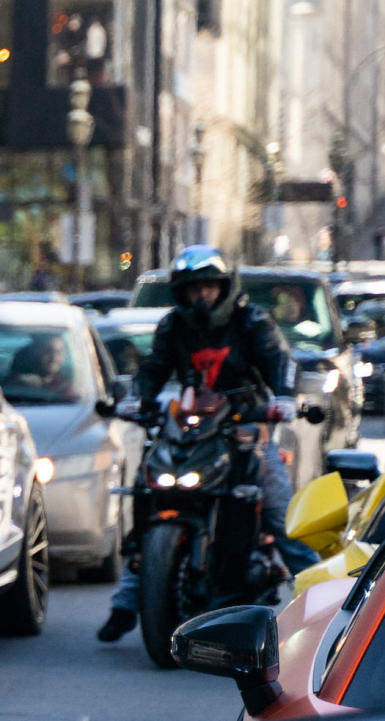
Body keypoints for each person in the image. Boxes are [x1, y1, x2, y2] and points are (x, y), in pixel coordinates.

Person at [96, 244, 296, 643]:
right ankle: (128, 599)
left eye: (208, 286)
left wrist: (284, 396)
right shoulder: (173, 325)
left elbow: (277, 358)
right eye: (193, 289)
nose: (201, 295)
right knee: (148, 485)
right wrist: (138, 397)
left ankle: (320, 591)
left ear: (223, 286)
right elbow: (154, 366)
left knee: (277, 504)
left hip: (244, 426)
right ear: (181, 292)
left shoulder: (251, 320)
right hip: (192, 425)